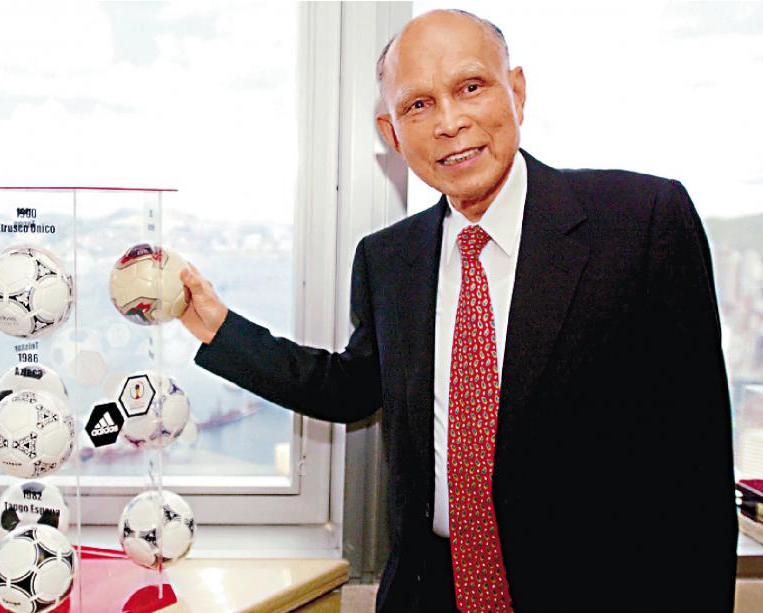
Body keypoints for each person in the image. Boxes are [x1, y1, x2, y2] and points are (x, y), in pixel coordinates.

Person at [179, 9, 738, 613]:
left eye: (471, 87)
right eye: (418, 105)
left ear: (516, 91)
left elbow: (697, 466)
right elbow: (352, 388)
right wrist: (219, 329)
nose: (450, 122)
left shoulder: (640, 221)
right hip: (431, 594)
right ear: (392, 133)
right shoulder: (387, 260)